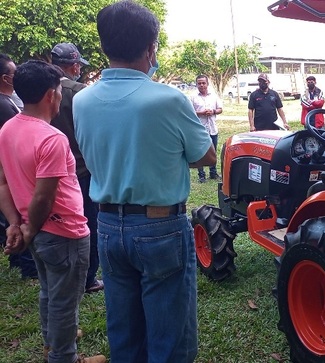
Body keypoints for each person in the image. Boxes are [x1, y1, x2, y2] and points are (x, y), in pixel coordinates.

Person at [73, 2, 217, 362]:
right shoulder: (167, 98)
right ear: (151, 47)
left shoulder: (81, 100)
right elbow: (206, 156)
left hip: (106, 224)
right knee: (169, 336)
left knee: (124, 330)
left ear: (105, 46)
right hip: (161, 227)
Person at [0, 60, 105, 363]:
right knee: (64, 300)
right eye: (60, 90)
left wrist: (15, 225)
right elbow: (44, 196)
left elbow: (3, 183)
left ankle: (55, 340)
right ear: (50, 95)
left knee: (50, 291)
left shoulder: (8, 129)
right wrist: (28, 227)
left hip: (35, 231)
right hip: (62, 232)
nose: (61, 96)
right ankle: (64, 356)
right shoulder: (51, 139)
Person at [49, 43, 104, 294]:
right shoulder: (79, 92)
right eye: (78, 65)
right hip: (81, 170)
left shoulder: (41, 87)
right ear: (73, 65)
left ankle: (59, 269)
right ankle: (88, 278)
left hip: (47, 170)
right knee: (88, 222)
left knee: (56, 221)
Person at [0, 53, 38, 279]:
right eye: (15, 73)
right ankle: (26, 263)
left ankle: (16, 257)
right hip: (10, 169)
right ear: (6, 78)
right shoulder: (6, 106)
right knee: (18, 215)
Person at [191, 74, 223, 183]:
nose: (201, 85)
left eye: (203, 83)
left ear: (207, 84)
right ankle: (201, 175)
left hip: (212, 128)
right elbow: (189, 112)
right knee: (200, 152)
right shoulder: (193, 97)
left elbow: (220, 109)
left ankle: (213, 173)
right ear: (196, 85)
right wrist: (201, 113)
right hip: (199, 130)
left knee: (212, 151)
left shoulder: (213, 96)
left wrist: (213, 111)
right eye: (199, 83)